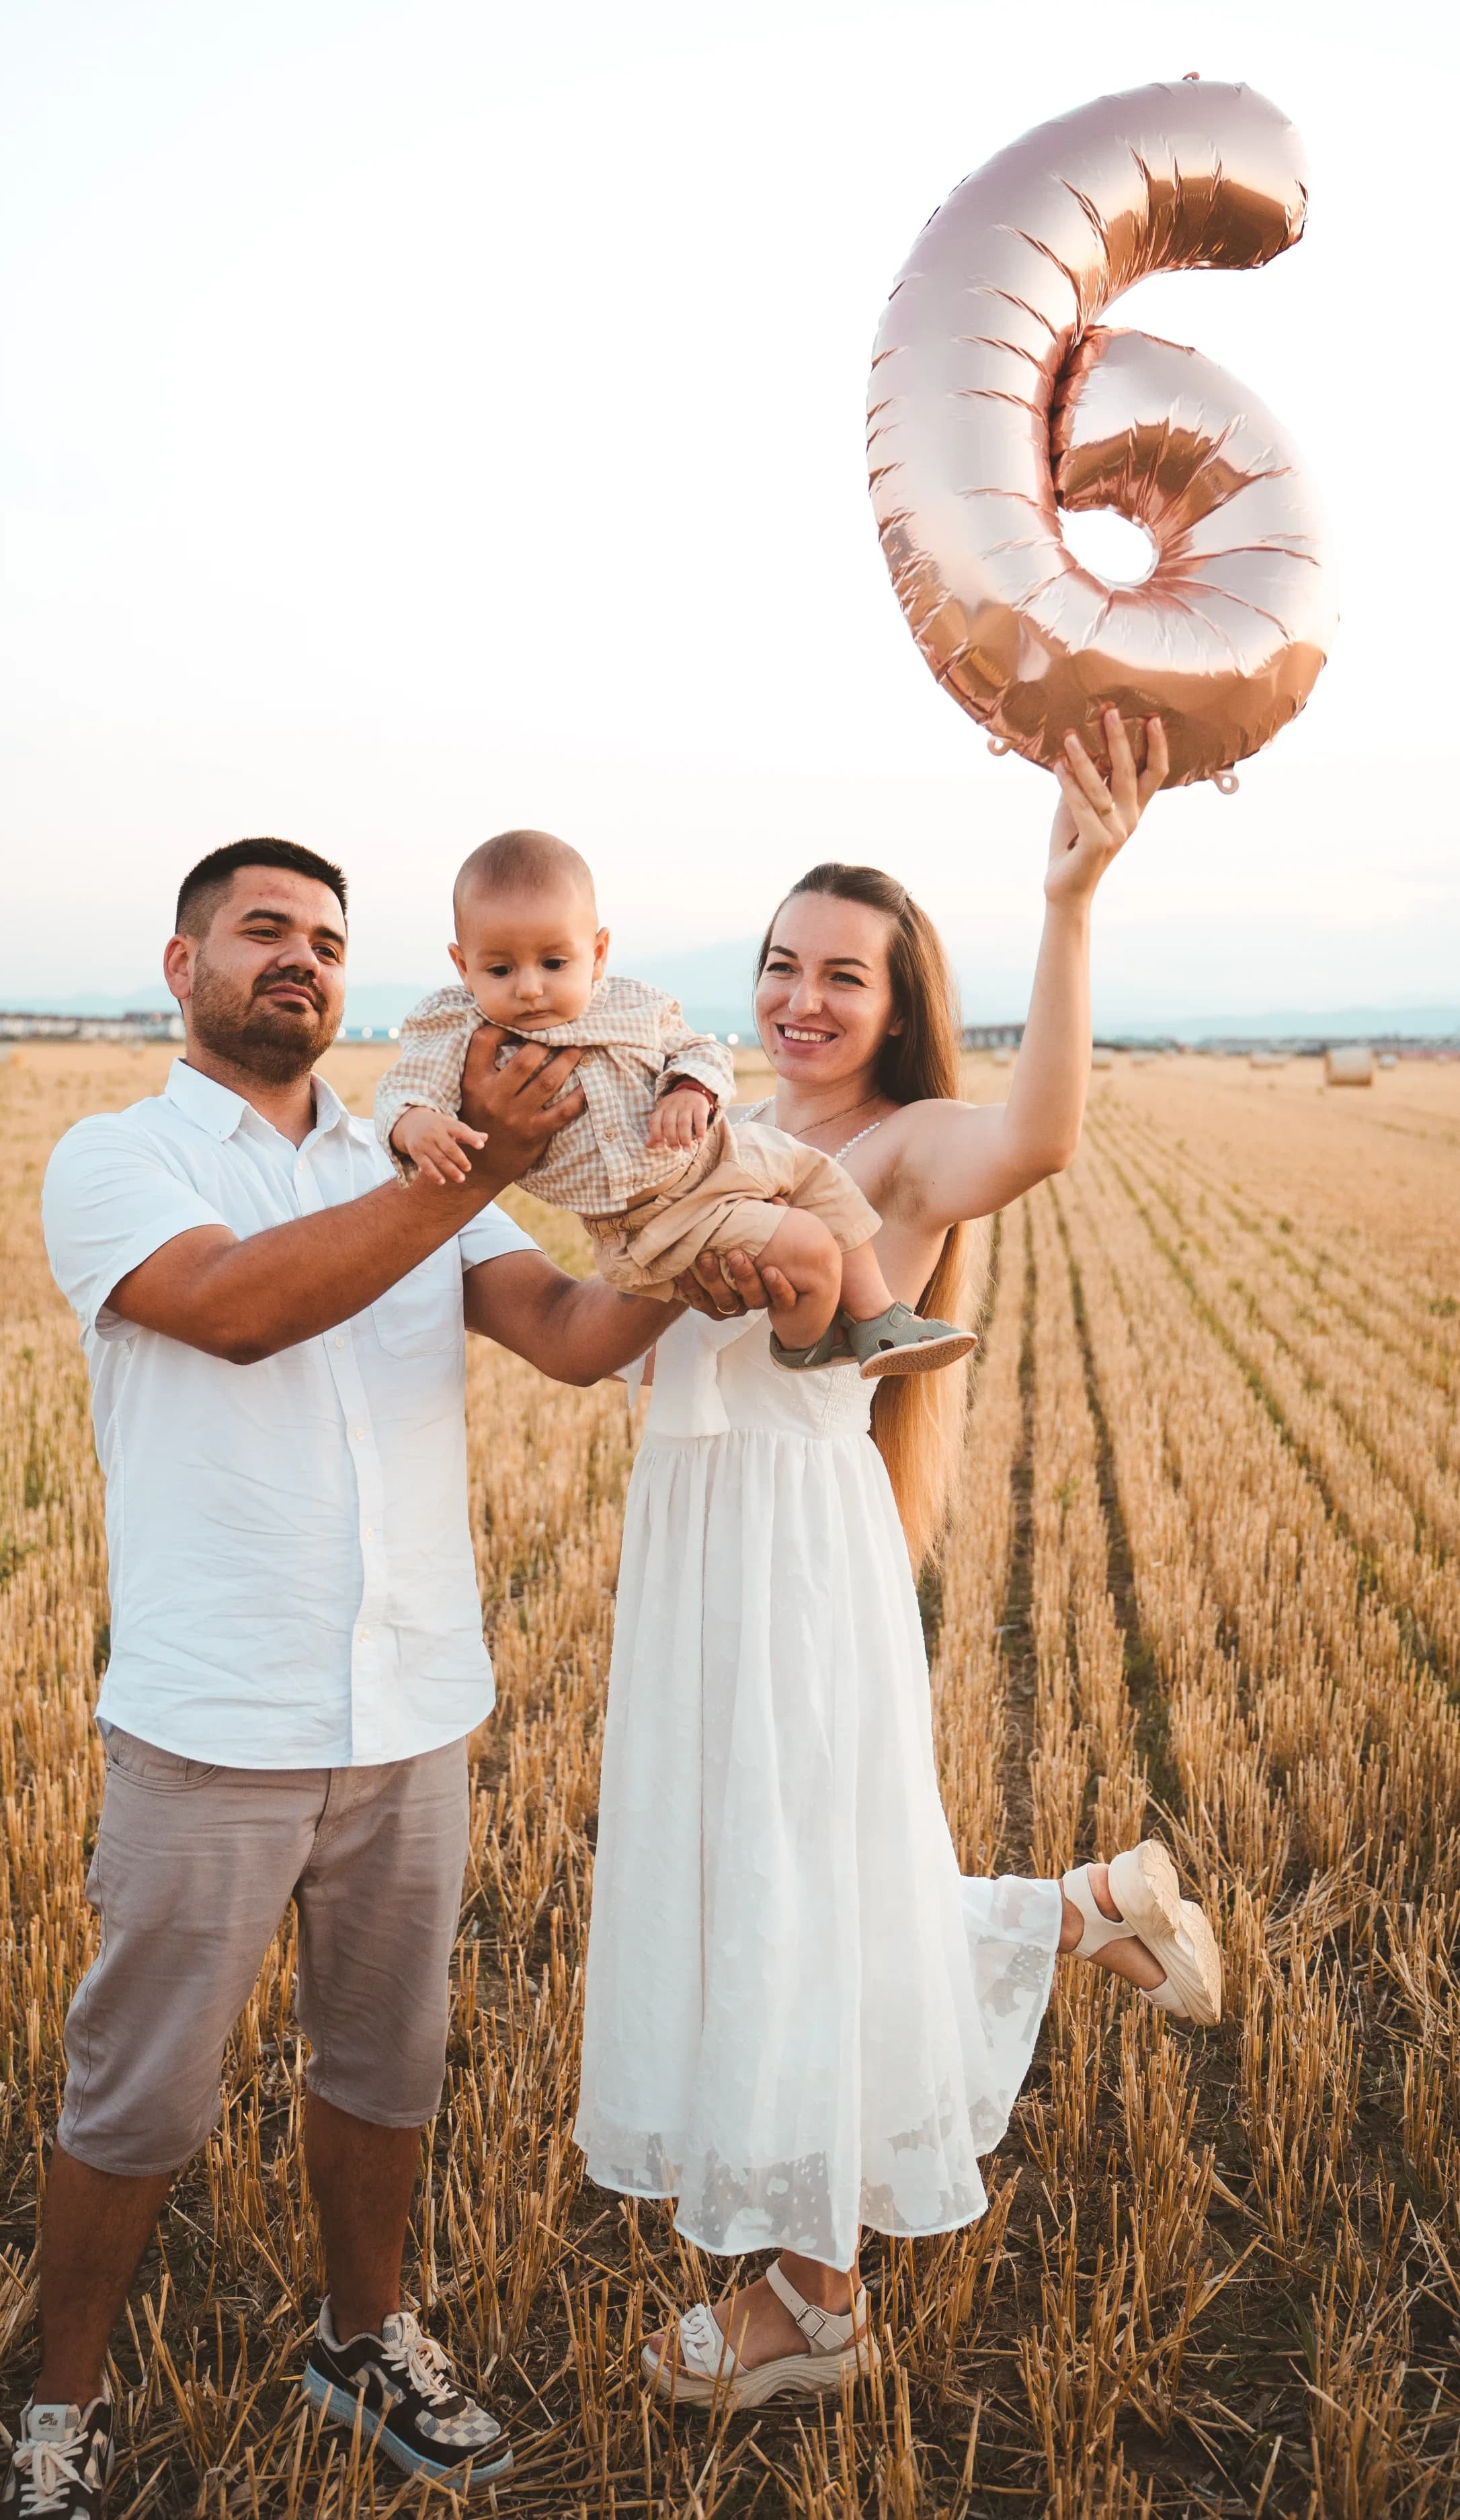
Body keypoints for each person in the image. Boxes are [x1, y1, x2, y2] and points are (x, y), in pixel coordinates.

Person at [6, 837, 664, 2515]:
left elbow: (573, 1337)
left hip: (412, 1708)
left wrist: (698, 1234)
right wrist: (459, 1178)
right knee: (136, 2084)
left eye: (325, 940)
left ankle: (364, 2334)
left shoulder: (406, 1154)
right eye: (262, 933)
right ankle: (59, 2407)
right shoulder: (121, 1155)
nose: (298, 959)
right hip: (214, 1720)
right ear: (183, 965)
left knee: (387, 2064)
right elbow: (232, 1308)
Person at [575, 712, 1225, 2407]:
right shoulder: (706, 1130)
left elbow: (1047, 1136)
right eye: (782, 963)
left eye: (842, 976)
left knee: (801, 1891)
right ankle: (1083, 1910)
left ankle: (815, 2297)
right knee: (758, 1873)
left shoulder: (905, 1142)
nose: (801, 997)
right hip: (697, 1542)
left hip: (797, 1548)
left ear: (896, 999)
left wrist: (1072, 904)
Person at [373, 827, 975, 1376]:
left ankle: (877, 1319)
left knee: (822, 1176)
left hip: (722, 1153)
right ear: (461, 964)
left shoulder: (631, 1004)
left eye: (555, 962)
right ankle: (807, 1349)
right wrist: (416, 1123)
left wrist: (690, 1087)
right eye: (500, 968)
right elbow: (404, 1088)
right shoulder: (455, 1029)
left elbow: (700, 1049)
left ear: (598, 952)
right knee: (807, 1246)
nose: (530, 987)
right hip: (655, 1217)